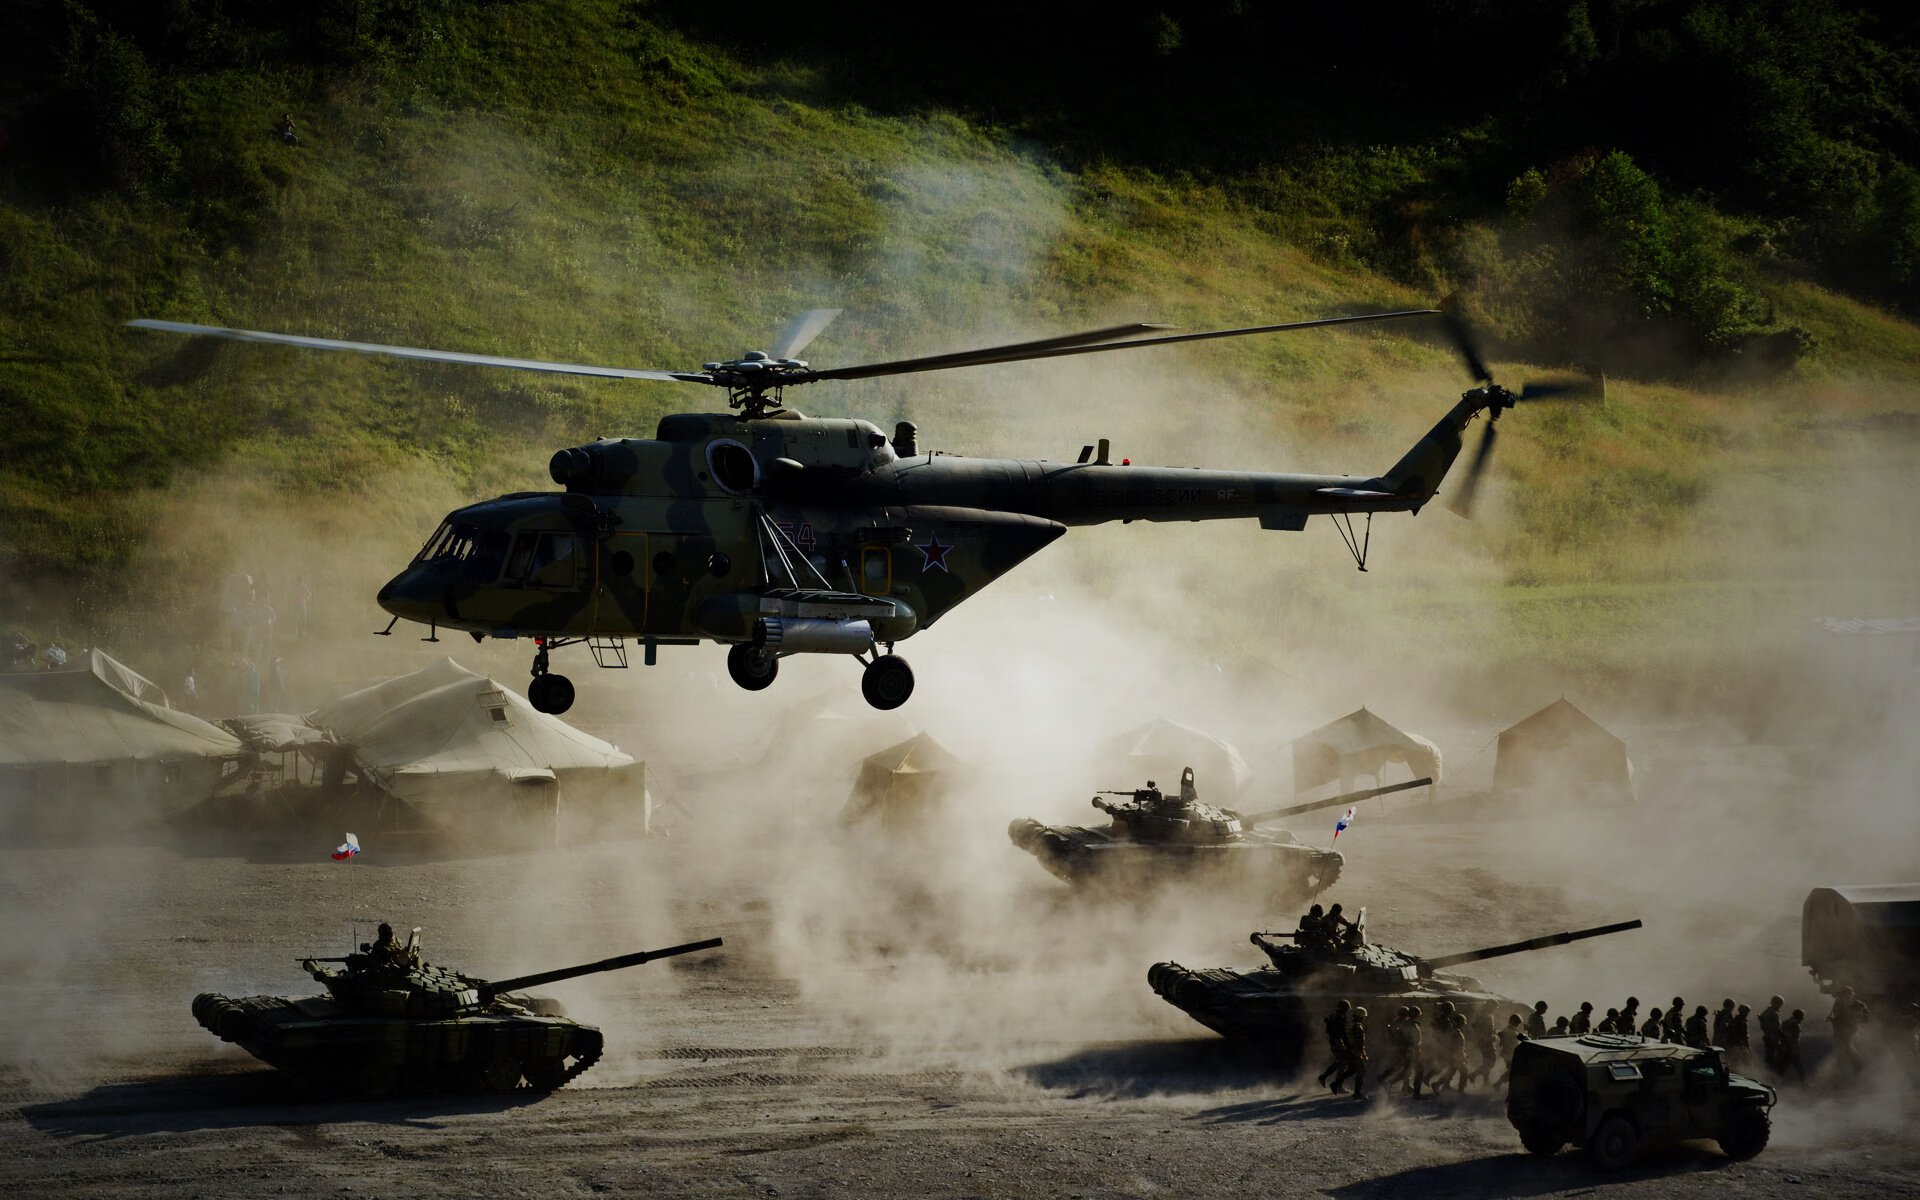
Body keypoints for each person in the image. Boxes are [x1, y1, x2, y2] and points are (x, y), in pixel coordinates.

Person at [1828, 986, 1870, 1077]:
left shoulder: (1846, 1004)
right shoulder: (1841, 1004)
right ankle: (1852, 1071)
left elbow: (1861, 1017)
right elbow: (1841, 1018)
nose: (1850, 996)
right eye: (1849, 994)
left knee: (1847, 1050)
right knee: (1846, 1051)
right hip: (1843, 1031)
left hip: (1846, 1031)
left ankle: (1853, 1071)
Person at [1318, 999, 1352, 1092]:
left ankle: (1323, 1077)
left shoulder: (1333, 1016)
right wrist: (1345, 1043)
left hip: (1334, 1042)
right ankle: (1338, 1086)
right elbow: (1342, 1032)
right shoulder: (1339, 1018)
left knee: (1339, 1062)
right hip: (1339, 1042)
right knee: (1343, 1064)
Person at [1758, 995, 1786, 1071]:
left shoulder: (1766, 1012)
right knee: (1773, 1056)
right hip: (1772, 1037)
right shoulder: (1773, 1013)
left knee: (1769, 1056)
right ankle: (1771, 1073)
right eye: (1780, 1005)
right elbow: (1775, 1028)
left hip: (1769, 1036)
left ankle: (1769, 1072)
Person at [1727, 1003, 1753, 1070]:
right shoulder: (1743, 1022)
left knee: (1733, 1063)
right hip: (1739, 1046)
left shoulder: (1733, 1020)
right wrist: (1748, 1049)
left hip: (1731, 1045)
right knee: (1747, 1064)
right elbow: (1745, 1037)